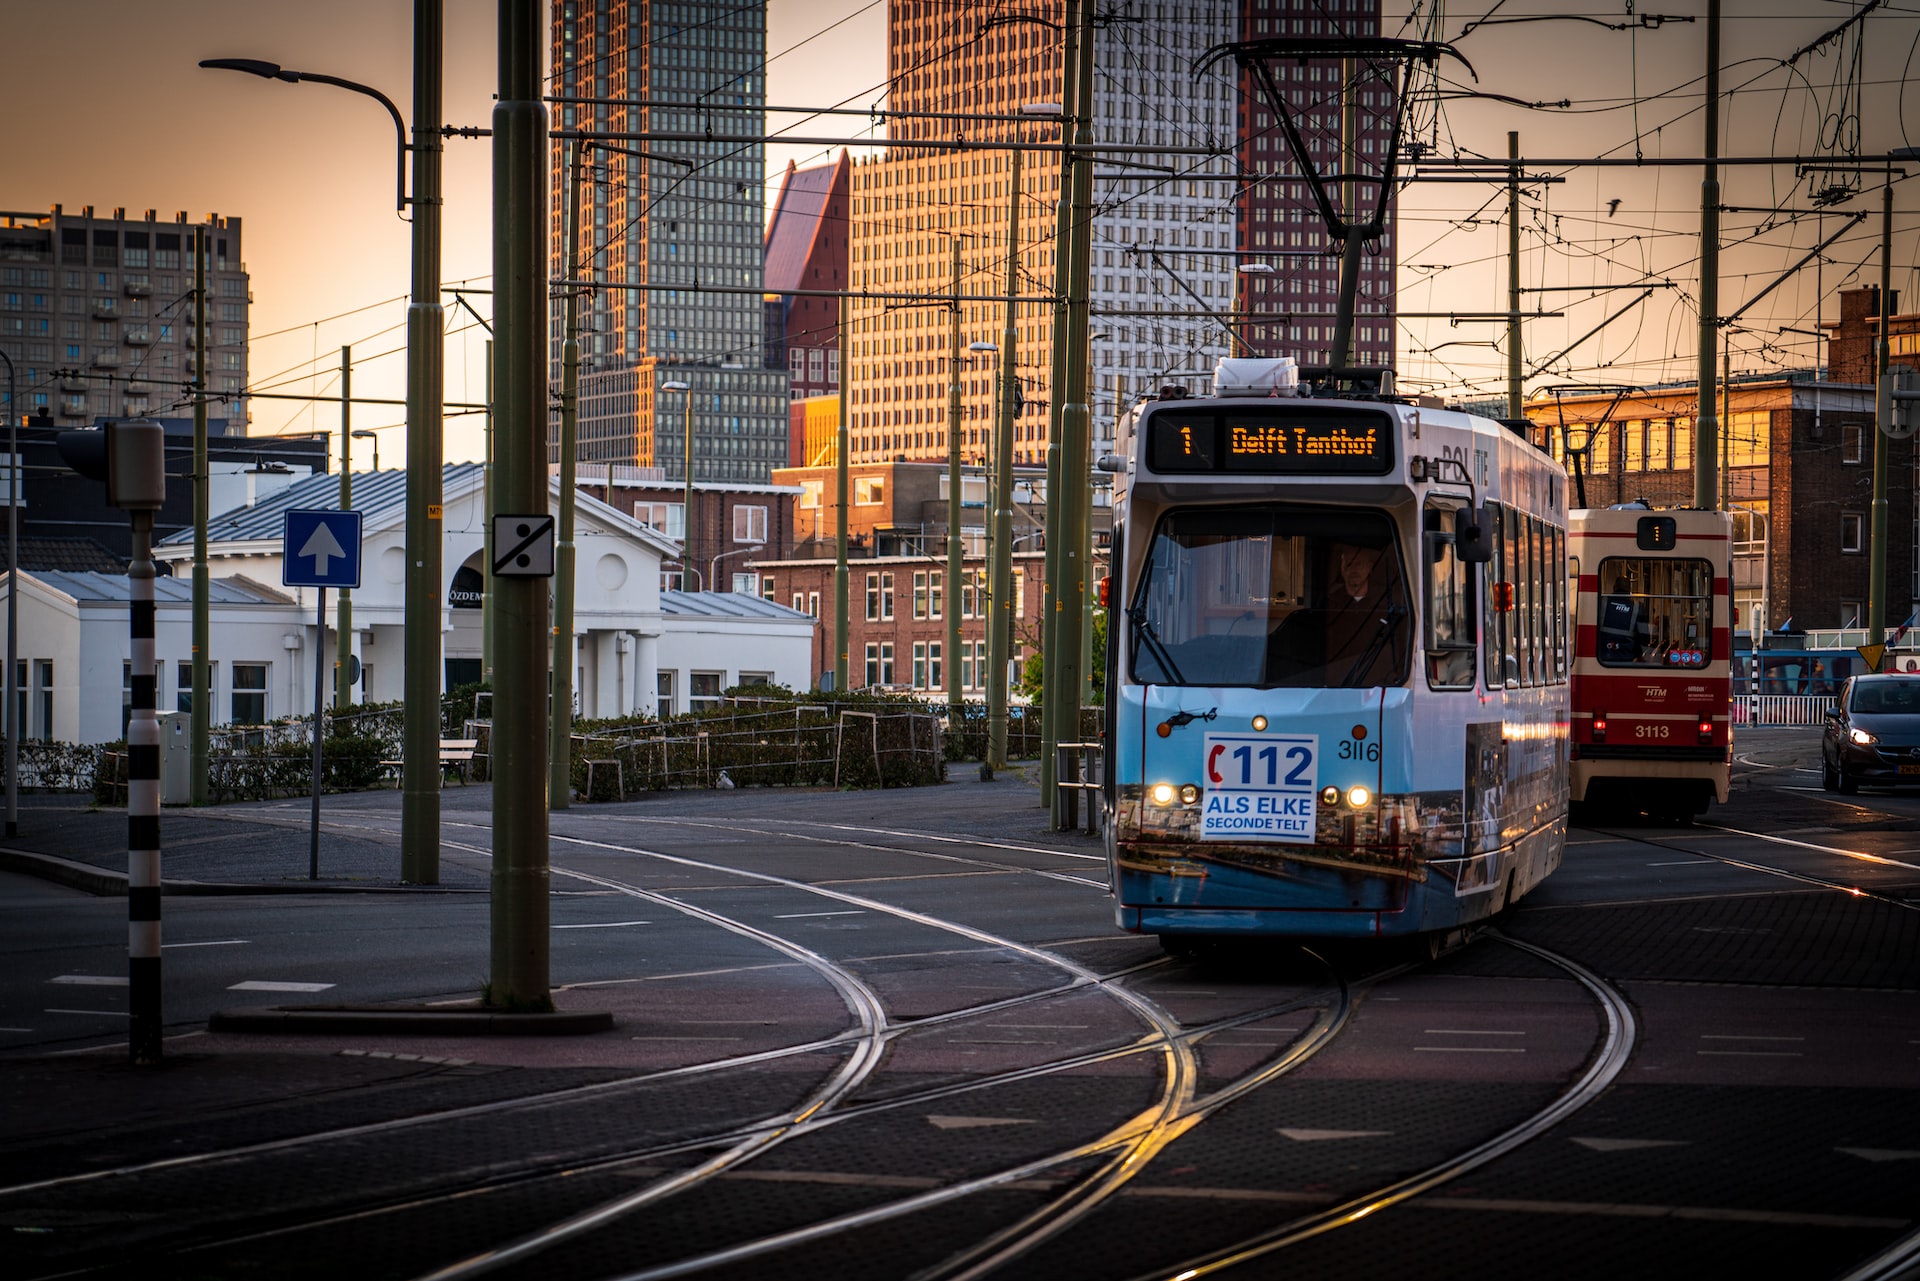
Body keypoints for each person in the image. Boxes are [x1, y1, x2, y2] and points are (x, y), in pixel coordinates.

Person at [1268, 543, 1401, 684]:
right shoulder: (1326, 607)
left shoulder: (1386, 607)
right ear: (1341, 570)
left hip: (1374, 685)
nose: (1353, 569)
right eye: (1348, 564)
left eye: (1358, 564)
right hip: (1333, 686)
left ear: (1370, 567)